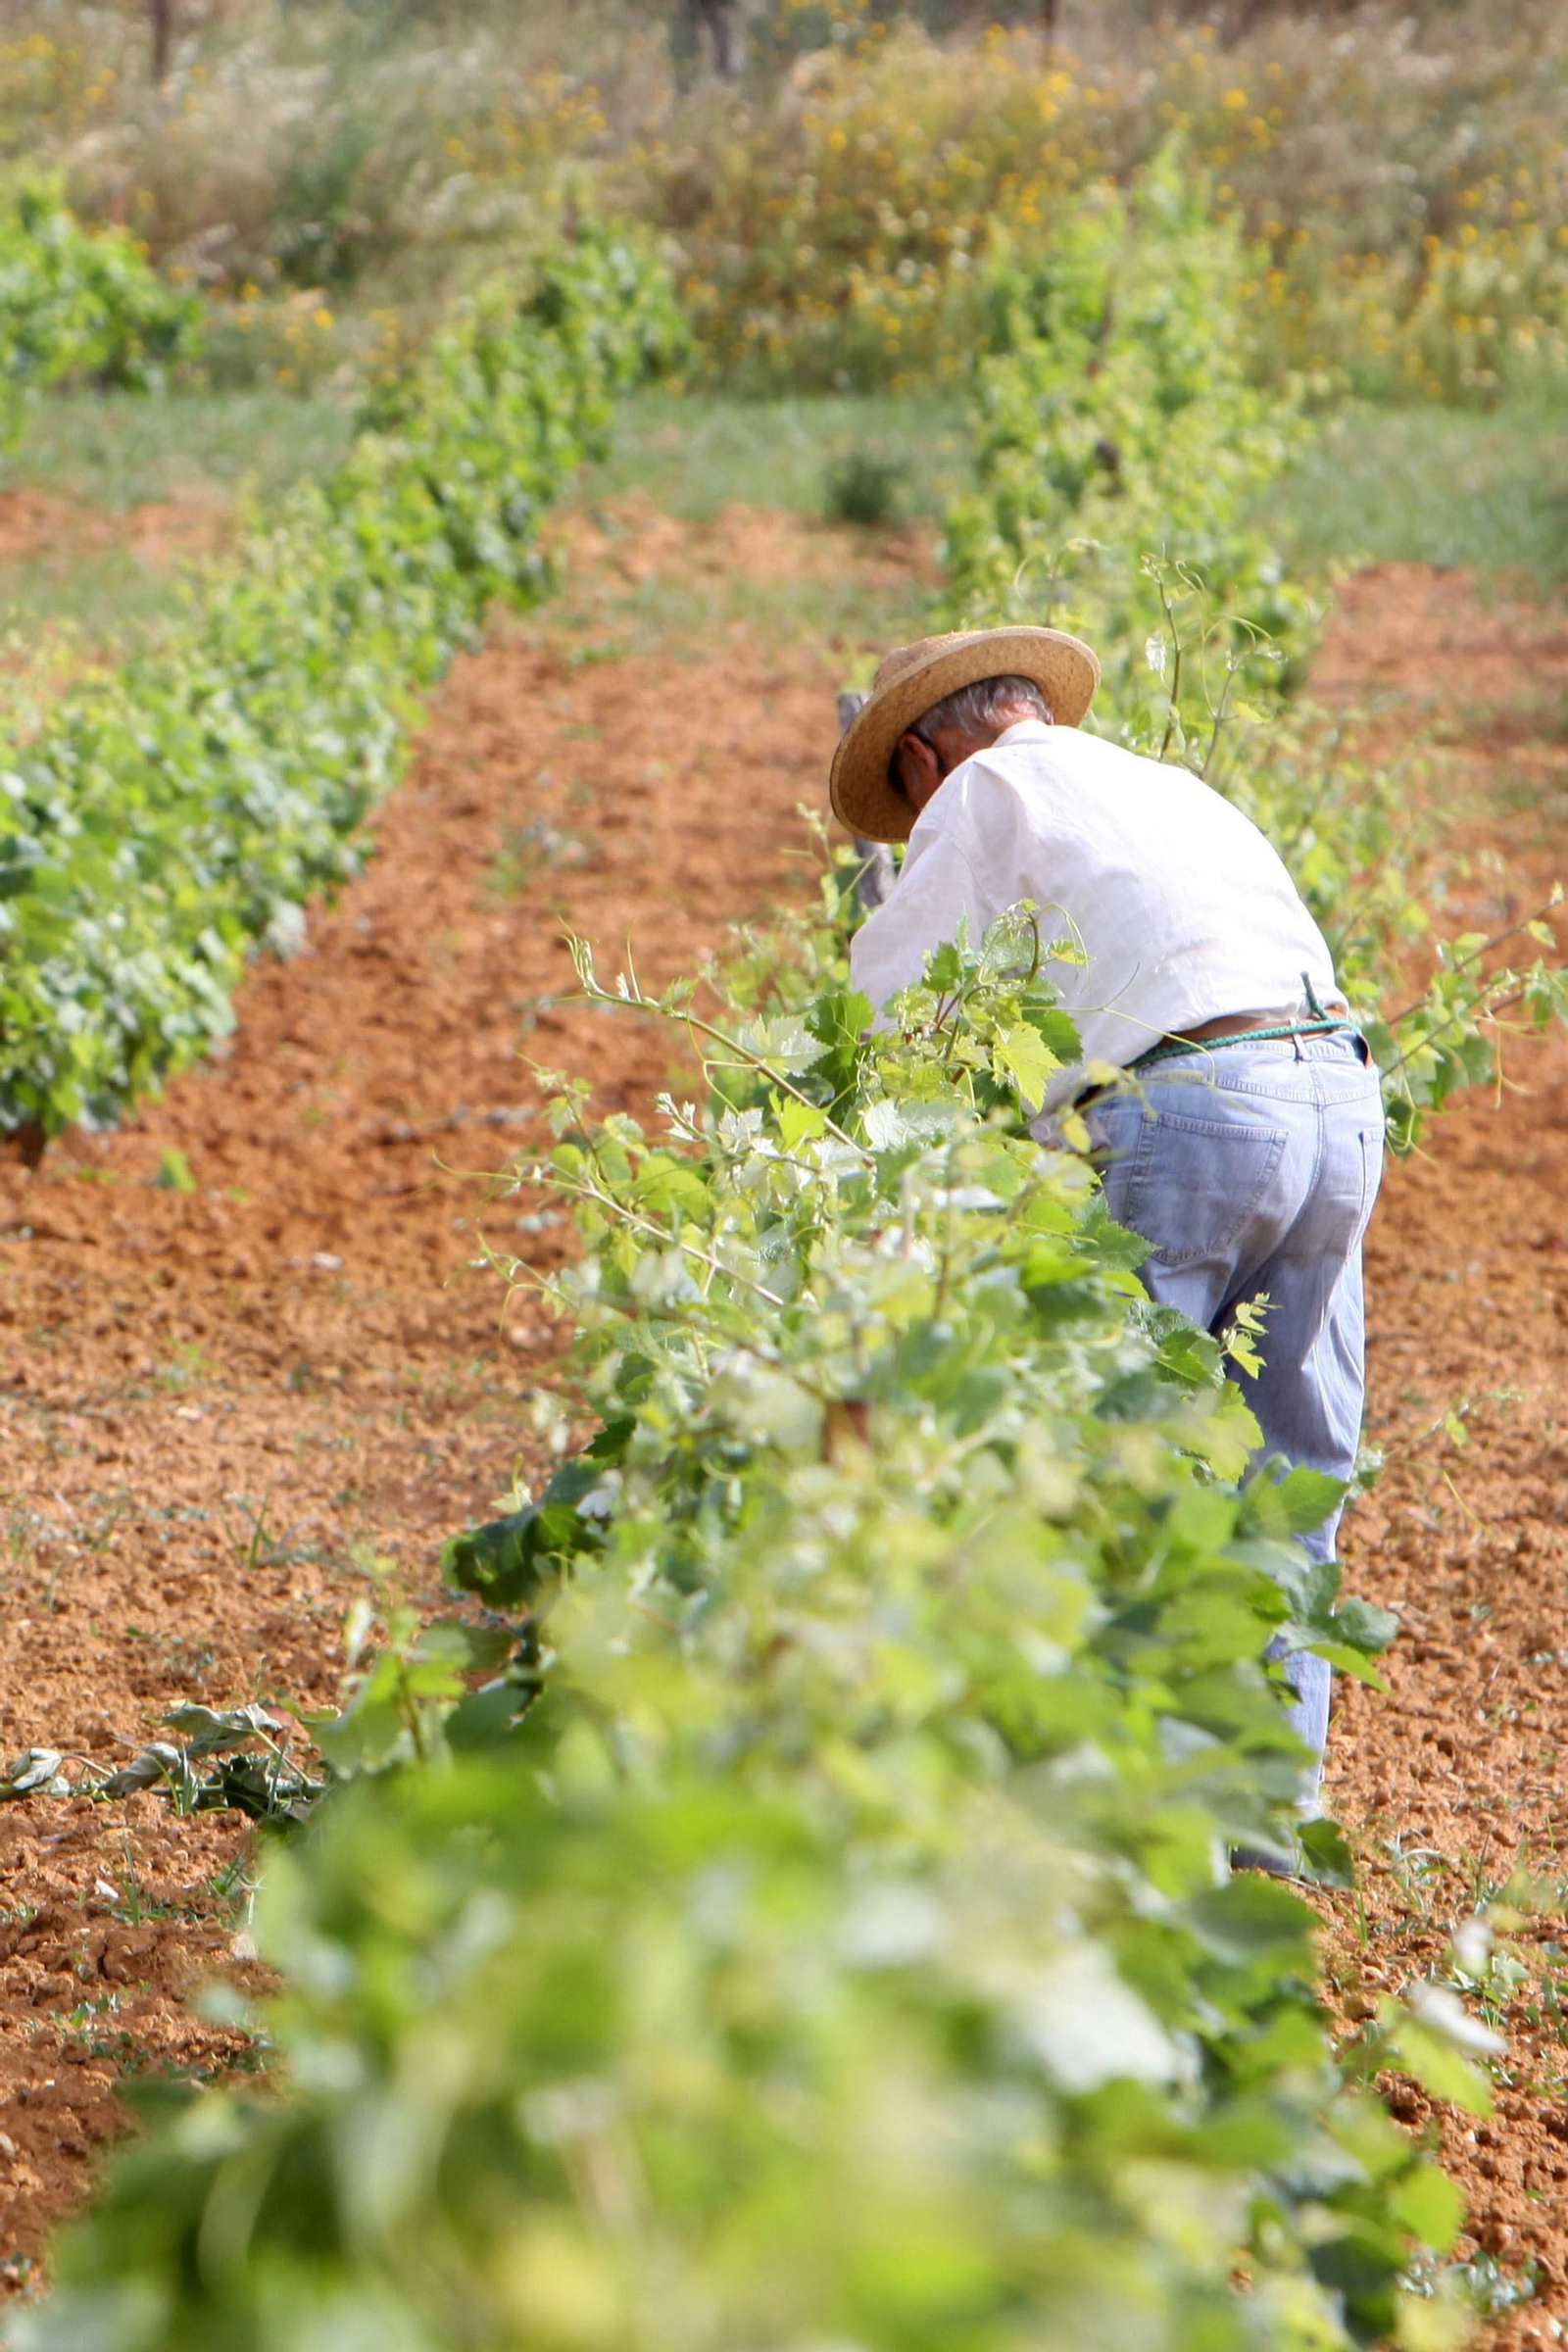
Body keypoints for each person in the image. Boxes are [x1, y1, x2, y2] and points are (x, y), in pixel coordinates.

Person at [830, 625, 1386, 1821]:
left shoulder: (981, 790)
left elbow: (885, 1012)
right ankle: (1265, 1818)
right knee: (1287, 1469)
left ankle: (1111, 1830)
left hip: (1192, 1106)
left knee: (1113, 1466)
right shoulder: (1162, 783)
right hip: (1336, 1091)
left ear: (923, 757)